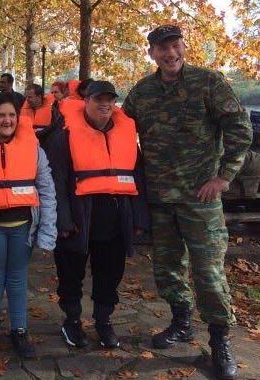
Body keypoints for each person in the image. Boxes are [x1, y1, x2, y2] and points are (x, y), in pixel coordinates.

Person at [123, 25, 252, 380]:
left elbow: (240, 129)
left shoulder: (208, 83)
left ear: (184, 47)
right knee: (167, 269)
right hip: (161, 200)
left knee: (209, 274)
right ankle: (181, 323)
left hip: (201, 199)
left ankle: (220, 342)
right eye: (161, 48)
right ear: (151, 54)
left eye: (174, 46)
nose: (169, 54)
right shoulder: (142, 93)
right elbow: (118, 129)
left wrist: (223, 177)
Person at [42, 80, 149, 349]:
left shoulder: (125, 134)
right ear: (85, 101)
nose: (105, 105)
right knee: (70, 274)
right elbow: (56, 180)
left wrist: (138, 218)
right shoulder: (64, 134)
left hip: (114, 218)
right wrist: (62, 220)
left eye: (110, 100)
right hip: (78, 219)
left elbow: (138, 177)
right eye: (98, 99)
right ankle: (73, 321)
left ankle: (103, 321)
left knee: (110, 274)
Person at [0, 92, 57, 359]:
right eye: (1, 115)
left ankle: (19, 329)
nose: (7, 120)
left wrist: (48, 230)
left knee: (17, 278)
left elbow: (47, 189)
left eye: (12, 115)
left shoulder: (33, 149)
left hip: (23, 227)